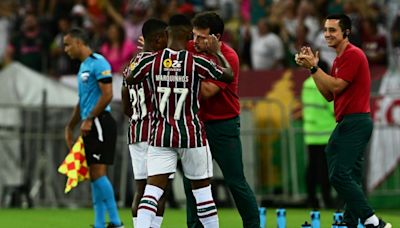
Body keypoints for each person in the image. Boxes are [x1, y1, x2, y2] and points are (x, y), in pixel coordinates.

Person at [126, 14, 233, 228]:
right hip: (191, 134)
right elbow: (228, 75)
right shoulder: (196, 62)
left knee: (151, 192)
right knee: (202, 193)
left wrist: (143, 58)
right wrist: (217, 52)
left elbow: (130, 78)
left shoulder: (151, 60)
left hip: (160, 134)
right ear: (188, 37)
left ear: (167, 34)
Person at [295, 14, 391, 228]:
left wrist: (314, 68)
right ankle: (349, 222)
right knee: (350, 176)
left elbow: (337, 86)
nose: (327, 34)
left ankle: (374, 221)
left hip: (355, 122)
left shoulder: (352, 55)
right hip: (349, 122)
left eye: (332, 30)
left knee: (339, 174)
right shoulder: (339, 59)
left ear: (346, 33)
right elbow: (330, 95)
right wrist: (313, 70)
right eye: (325, 30)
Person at [183, 11, 260, 228]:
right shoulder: (189, 48)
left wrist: (183, 81)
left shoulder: (230, 58)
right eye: (194, 35)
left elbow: (207, 91)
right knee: (191, 182)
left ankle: (253, 225)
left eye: (201, 37)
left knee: (235, 181)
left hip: (223, 125)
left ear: (216, 37)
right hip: (198, 126)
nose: (195, 41)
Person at [63, 27, 123, 228]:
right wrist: (70, 125)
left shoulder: (99, 63)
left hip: (100, 122)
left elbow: (107, 95)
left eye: (67, 44)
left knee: (97, 173)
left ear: (79, 42)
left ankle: (116, 222)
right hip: (91, 123)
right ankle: (99, 224)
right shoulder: (83, 66)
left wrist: (88, 119)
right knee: (94, 174)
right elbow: (83, 100)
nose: (65, 49)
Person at [121, 18, 169, 228]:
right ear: (158, 39)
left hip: (135, 131)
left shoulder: (131, 63)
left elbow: (124, 99)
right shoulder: (157, 65)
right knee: (159, 190)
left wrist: (135, 117)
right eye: (167, 36)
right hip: (155, 133)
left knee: (140, 190)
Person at [301, 60, 335, 209]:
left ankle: (312, 199)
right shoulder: (324, 84)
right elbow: (333, 108)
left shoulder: (306, 85)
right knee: (325, 170)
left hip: (310, 133)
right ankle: (327, 200)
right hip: (326, 133)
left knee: (312, 169)